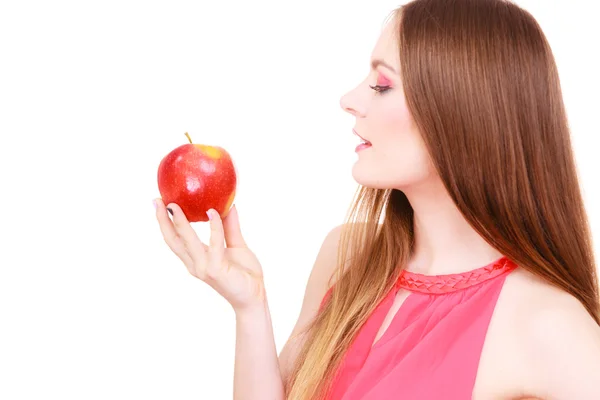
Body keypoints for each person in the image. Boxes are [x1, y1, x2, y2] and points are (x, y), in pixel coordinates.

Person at [153, 0, 600, 398]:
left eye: (382, 85)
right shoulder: (345, 255)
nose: (349, 99)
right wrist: (249, 307)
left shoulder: (549, 325)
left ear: (464, 111)